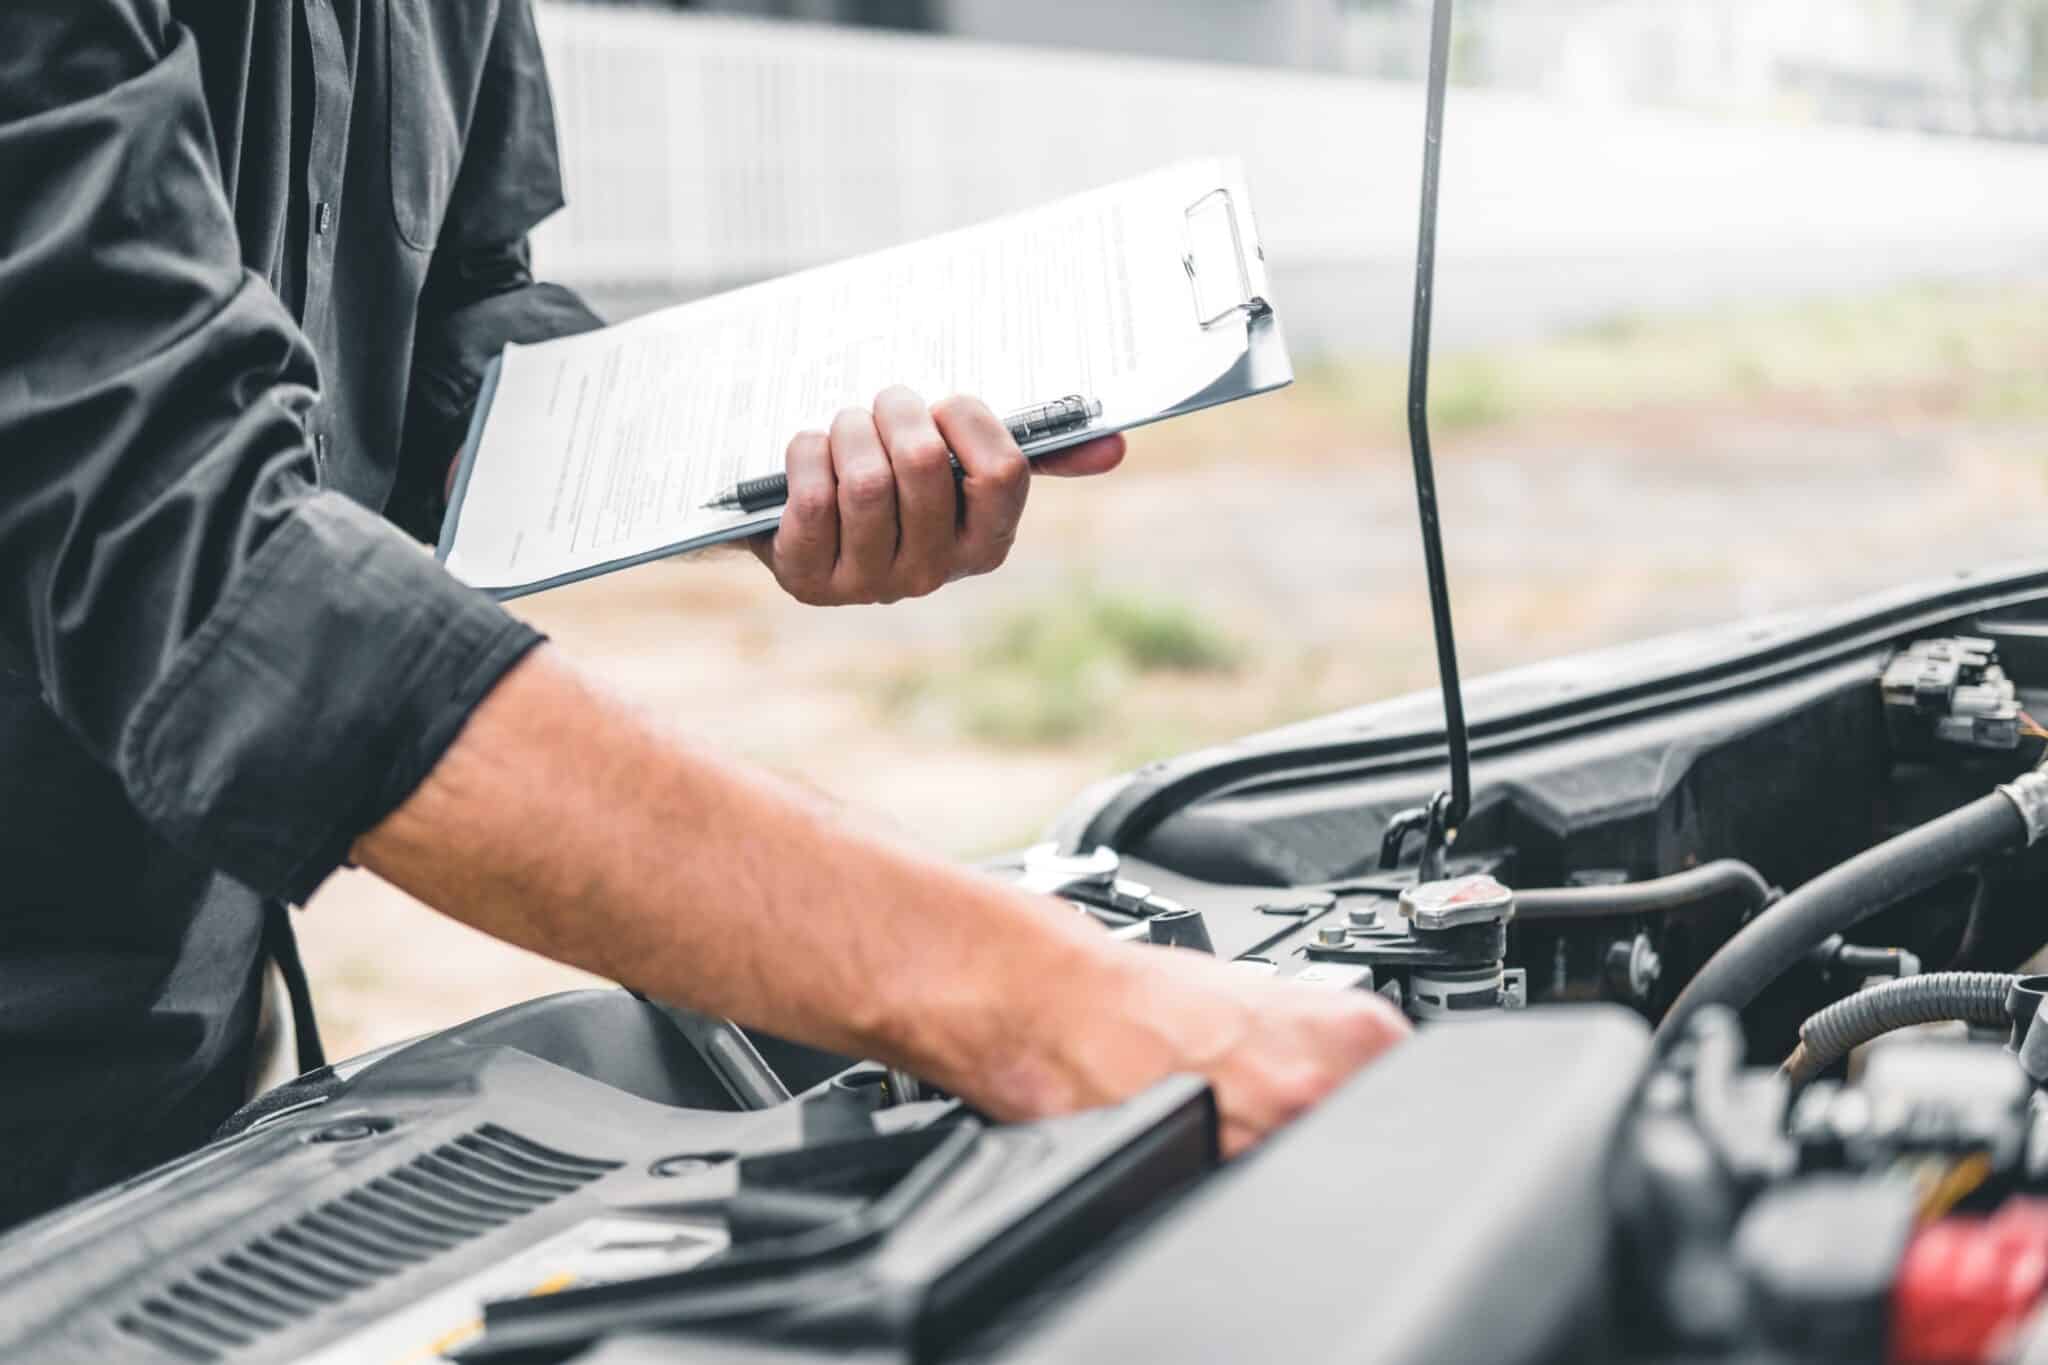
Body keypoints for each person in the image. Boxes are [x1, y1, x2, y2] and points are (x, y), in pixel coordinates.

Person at [0, 1, 1408, 1232]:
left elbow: (456, 329)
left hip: (182, 1074)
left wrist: (759, 440)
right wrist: (1041, 1000)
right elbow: (200, 566)